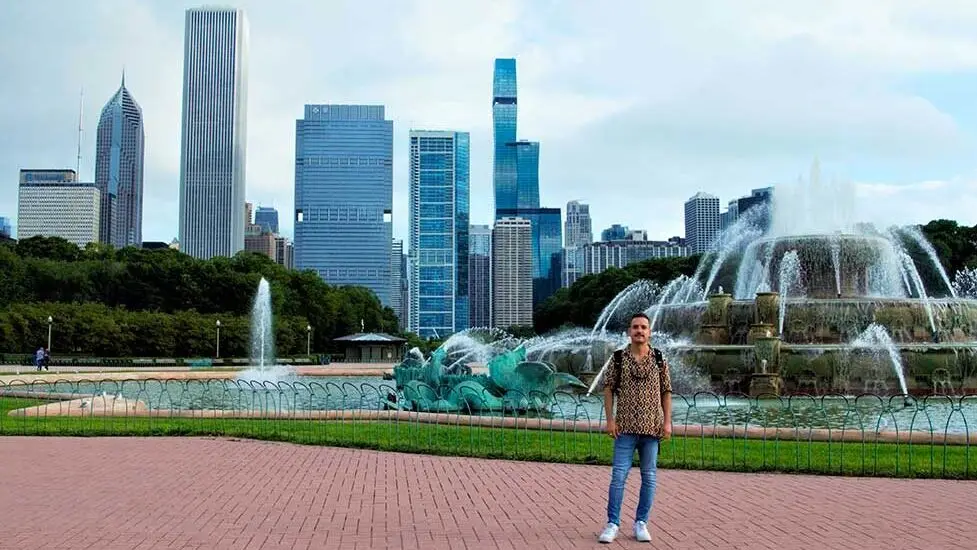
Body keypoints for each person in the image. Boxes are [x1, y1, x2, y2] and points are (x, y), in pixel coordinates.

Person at [598, 312, 672, 544]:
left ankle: (641, 522)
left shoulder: (659, 358)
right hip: (625, 429)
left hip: (652, 429)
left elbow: (666, 392)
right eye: (635, 327)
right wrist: (610, 420)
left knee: (649, 477)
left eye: (643, 327)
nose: (639, 331)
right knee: (618, 477)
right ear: (629, 332)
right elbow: (608, 389)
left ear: (649, 332)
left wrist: (667, 422)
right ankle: (612, 523)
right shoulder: (618, 358)